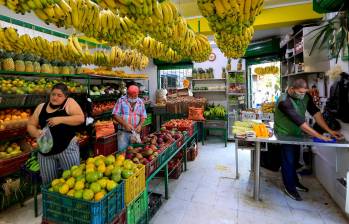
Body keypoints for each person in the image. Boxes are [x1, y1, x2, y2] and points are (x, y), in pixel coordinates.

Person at [274, 79, 343, 201]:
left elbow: (316, 113)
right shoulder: (284, 101)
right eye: (300, 92)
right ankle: (289, 187)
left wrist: (329, 130)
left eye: (304, 92)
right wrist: (320, 136)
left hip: (296, 134)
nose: (302, 95)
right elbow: (300, 122)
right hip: (284, 134)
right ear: (291, 89)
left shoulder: (305, 96)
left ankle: (294, 182)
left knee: (295, 160)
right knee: (288, 160)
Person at [27, 83, 85, 184]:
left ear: (65, 97)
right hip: (45, 151)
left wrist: (61, 119)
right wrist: (36, 133)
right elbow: (30, 125)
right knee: (49, 183)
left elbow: (80, 118)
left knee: (72, 180)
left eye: (59, 95)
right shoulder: (41, 107)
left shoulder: (69, 103)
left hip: (67, 149)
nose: (55, 97)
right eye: (53, 94)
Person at [113, 85, 147, 151]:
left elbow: (143, 116)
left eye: (135, 96)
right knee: (122, 153)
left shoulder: (140, 102)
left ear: (138, 94)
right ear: (127, 93)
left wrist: (140, 125)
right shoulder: (121, 101)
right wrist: (125, 124)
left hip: (135, 133)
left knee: (136, 153)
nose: (133, 98)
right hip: (123, 133)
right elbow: (115, 114)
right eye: (131, 96)